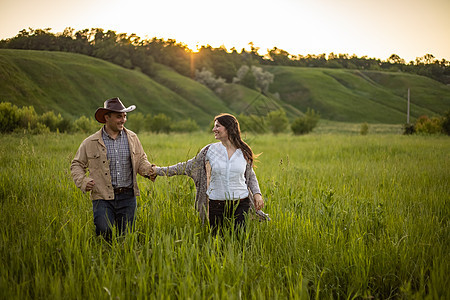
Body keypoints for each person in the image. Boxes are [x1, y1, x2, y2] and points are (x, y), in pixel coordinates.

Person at [153, 113, 267, 234]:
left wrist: (257, 194)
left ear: (229, 128)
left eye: (217, 126)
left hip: (240, 204)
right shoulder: (209, 150)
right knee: (217, 241)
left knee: (239, 240)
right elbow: (186, 166)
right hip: (216, 205)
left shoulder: (243, 151)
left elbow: (250, 175)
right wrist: (158, 170)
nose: (214, 130)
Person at [71, 97, 155, 241]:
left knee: (127, 237)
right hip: (102, 197)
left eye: (124, 116)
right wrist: (83, 181)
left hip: (128, 196)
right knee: (103, 231)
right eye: (118, 116)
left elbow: (141, 160)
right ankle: (104, 259)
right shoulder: (90, 142)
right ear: (107, 117)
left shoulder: (133, 138)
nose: (123, 120)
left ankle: (122, 261)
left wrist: (149, 170)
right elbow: (77, 165)